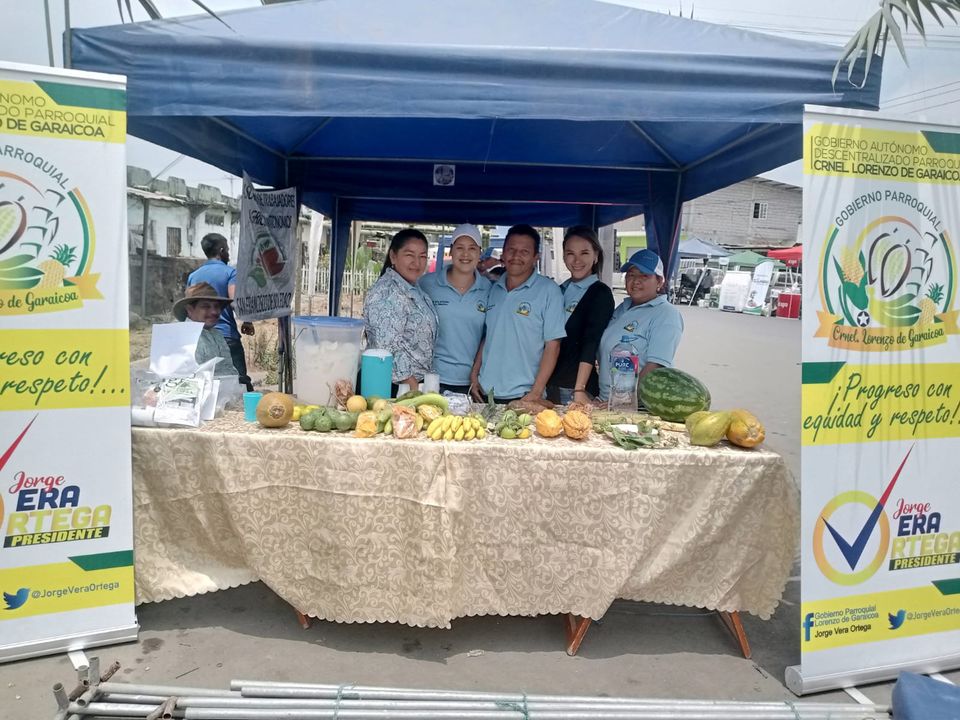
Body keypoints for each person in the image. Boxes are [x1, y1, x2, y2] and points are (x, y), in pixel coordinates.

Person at [471, 224, 566, 403]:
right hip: (485, 393)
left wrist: (536, 393)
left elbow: (553, 347)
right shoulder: (494, 289)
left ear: (536, 257)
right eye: (511, 250)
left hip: (523, 396)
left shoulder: (549, 291)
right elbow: (489, 335)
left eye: (524, 252)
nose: (516, 256)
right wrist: (474, 375)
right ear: (503, 254)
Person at [596, 249, 683, 403]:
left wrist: (625, 401)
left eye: (644, 276)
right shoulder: (622, 308)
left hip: (634, 406)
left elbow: (656, 366)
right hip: (606, 401)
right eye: (631, 275)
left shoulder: (666, 314)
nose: (636, 281)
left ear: (659, 281)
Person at [418, 224, 492, 394]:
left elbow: (490, 335)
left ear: (479, 253)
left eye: (472, 248)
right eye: (460, 248)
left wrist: (476, 372)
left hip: (472, 382)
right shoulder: (427, 284)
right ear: (451, 251)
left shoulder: (489, 289)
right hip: (431, 378)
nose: (465, 254)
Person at [546, 226, 615, 405]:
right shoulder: (558, 289)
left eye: (584, 253)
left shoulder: (600, 293)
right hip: (547, 384)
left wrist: (579, 389)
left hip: (572, 389)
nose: (577, 260)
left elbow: (591, 342)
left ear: (596, 256)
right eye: (570, 253)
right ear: (563, 256)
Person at [363, 228, 437, 393]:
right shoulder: (387, 292)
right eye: (409, 255)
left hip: (411, 385)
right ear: (393, 256)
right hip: (394, 387)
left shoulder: (411, 287)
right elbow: (386, 345)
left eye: (422, 256)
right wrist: (413, 389)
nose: (417, 263)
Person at [187, 233, 255, 391]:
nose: (228, 254)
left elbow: (189, 301)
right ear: (222, 250)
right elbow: (235, 301)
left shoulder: (193, 275)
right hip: (226, 335)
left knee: (203, 383)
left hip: (197, 336)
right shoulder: (230, 272)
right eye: (228, 250)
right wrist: (247, 321)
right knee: (239, 381)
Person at [172, 282, 239, 377]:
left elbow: (228, 369)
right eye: (206, 307)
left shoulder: (217, 334)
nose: (214, 312)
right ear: (189, 310)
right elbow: (188, 378)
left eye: (216, 306)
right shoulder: (185, 336)